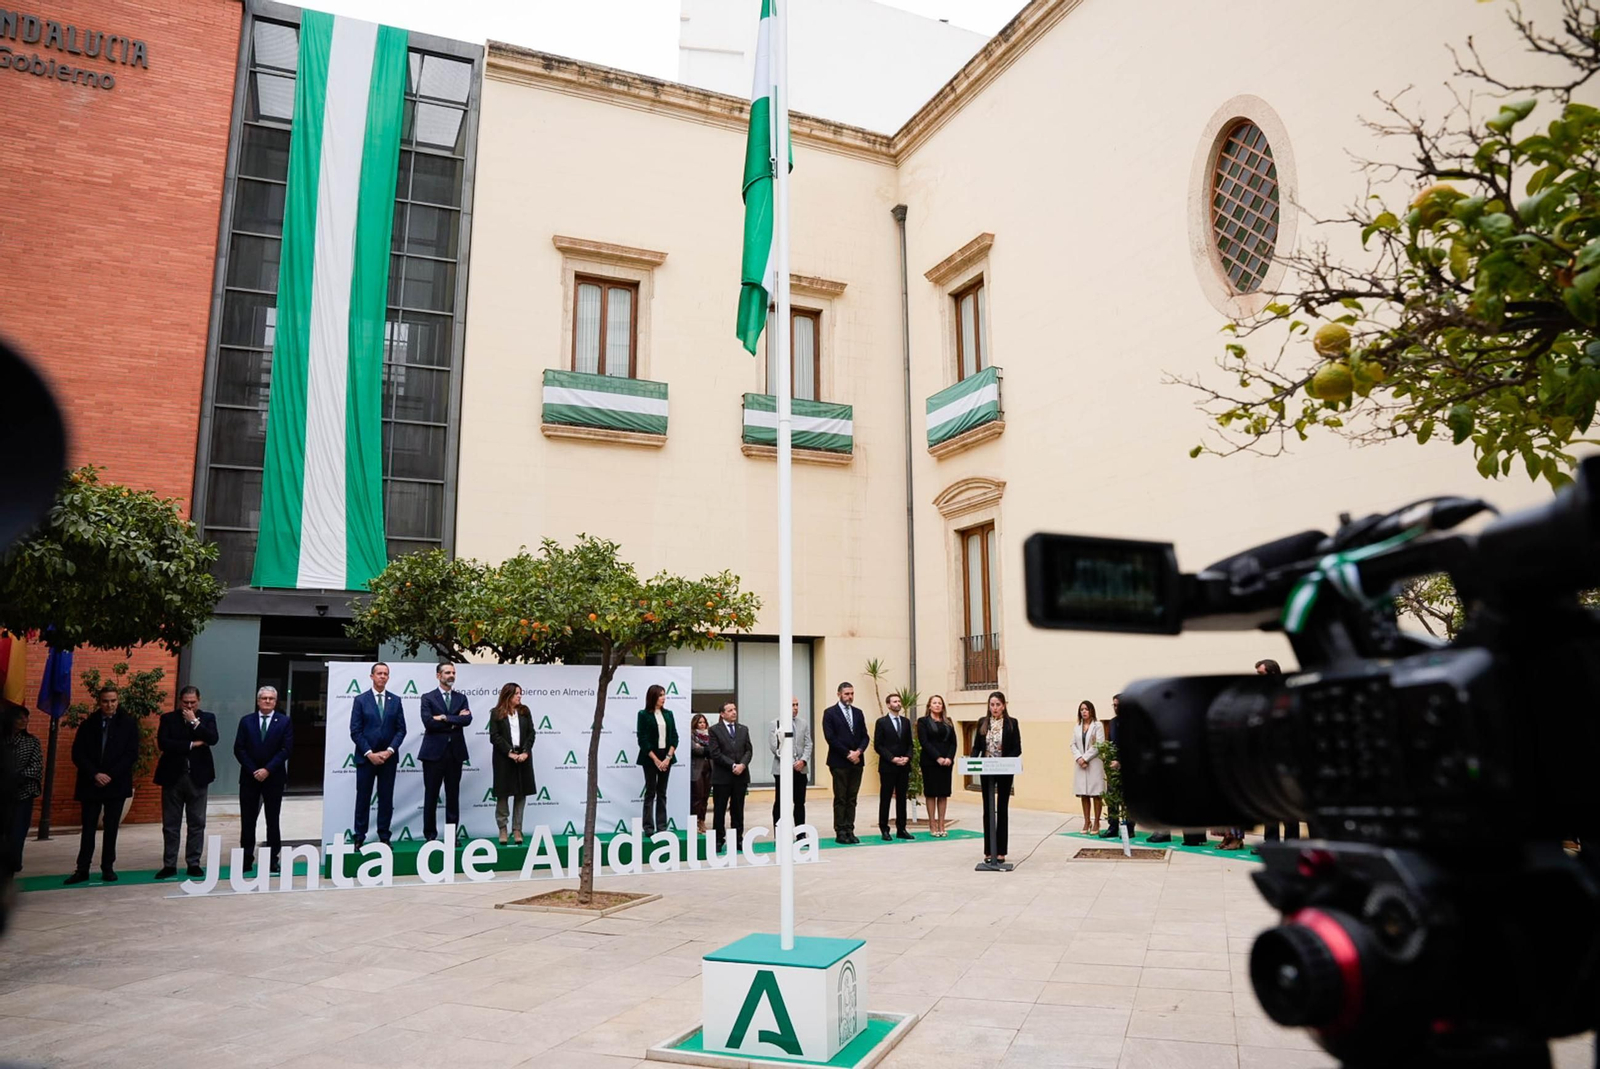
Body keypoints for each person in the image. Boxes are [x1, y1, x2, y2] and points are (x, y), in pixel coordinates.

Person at [65, 685, 139, 884]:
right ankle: (82, 869)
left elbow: (131, 754)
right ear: (99, 702)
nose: (109, 705)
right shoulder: (88, 724)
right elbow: (78, 753)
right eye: (105, 701)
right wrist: (95, 774)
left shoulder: (128, 724)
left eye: (113, 701)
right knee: (88, 828)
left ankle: (108, 867)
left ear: (118, 701)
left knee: (111, 827)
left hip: (116, 783)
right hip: (91, 783)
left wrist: (110, 775)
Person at [153, 685, 219, 879]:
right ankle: (169, 864)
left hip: (198, 777)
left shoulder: (207, 718)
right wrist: (191, 744)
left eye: (193, 703)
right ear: (179, 701)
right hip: (173, 776)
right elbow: (164, 743)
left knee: (197, 822)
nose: (189, 706)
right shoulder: (168, 719)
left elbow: (212, 738)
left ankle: (193, 862)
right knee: (170, 824)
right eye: (186, 703)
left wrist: (195, 722)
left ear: (199, 701)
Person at [235, 685, 293, 874]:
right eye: (264, 698)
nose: (267, 701)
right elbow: (239, 748)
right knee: (248, 820)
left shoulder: (284, 721)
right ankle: (246, 859)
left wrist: (267, 769)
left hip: (274, 777)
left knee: (272, 820)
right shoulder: (246, 721)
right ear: (258, 700)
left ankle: (272, 860)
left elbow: (286, 749)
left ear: (276, 701)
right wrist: (254, 770)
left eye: (271, 698)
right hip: (250, 778)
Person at [349, 662, 406, 848]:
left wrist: (389, 751)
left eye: (385, 674)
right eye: (379, 673)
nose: (382, 676)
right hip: (366, 759)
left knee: (386, 798)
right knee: (363, 798)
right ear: (372, 676)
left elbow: (401, 730)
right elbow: (355, 731)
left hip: (388, 759)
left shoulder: (395, 700)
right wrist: (369, 753)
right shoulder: (360, 700)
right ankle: (359, 836)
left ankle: (384, 836)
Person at [419, 662, 472, 842]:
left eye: (453, 672)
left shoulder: (461, 698)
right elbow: (429, 723)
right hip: (433, 754)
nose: (451, 675)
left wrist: (443, 717)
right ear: (438, 675)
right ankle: (430, 836)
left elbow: (467, 720)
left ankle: (451, 836)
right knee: (431, 795)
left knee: (453, 795)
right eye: (447, 672)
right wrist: (454, 720)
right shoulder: (428, 698)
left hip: (455, 753)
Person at [971, 691, 1021, 867]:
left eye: (998, 705)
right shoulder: (982, 722)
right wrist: (971, 761)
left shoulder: (1012, 723)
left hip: (1004, 769)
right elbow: (977, 747)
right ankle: (989, 850)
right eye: (992, 705)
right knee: (988, 808)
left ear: (1004, 706)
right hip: (986, 769)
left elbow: (1017, 748)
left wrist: (1005, 762)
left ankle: (1001, 851)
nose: (995, 708)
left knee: (1002, 808)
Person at [1254, 658, 1299, 851]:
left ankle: (1292, 843)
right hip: (1266, 758)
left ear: (1272, 673)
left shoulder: (1286, 694)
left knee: (1288, 803)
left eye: (1261, 674)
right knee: (1269, 802)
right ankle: (1271, 842)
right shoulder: (1260, 697)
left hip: (1286, 757)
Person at [821, 682, 869, 844]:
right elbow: (830, 737)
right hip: (839, 762)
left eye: (852, 694)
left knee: (852, 797)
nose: (850, 697)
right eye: (846, 694)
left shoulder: (858, 713)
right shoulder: (830, 713)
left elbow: (865, 736)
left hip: (857, 762)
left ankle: (850, 829)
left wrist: (859, 751)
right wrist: (848, 753)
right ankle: (840, 831)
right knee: (841, 797)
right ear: (839, 694)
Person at [488, 684, 536, 845]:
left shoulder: (525, 711)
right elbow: (494, 736)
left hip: (523, 757)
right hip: (504, 758)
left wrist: (525, 752)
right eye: (516, 693)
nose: (519, 696)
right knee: (503, 793)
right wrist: (509, 752)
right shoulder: (496, 713)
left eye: (520, 693)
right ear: (508, 695)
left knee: (521, 793)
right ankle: (503, 828)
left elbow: (531, 733)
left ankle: (517, 829)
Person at [2, 702, 42, 876]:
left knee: (17, 833)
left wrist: (17, 778)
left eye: (26, 717)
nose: (24, 720)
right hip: (3, 794)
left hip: (23, 794)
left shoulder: (31, 742)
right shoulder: (3, 741)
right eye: (19, 717)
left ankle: (13, 864)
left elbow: (36, 766)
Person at [707, 701, 752, 849]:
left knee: (738, 809)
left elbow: (748, 750)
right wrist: (732, 765)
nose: (734, 712)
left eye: (734, 709)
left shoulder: (743, 729)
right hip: (722, 776)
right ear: (722, 714)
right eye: (730, 710)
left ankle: (738, 838)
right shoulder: (714, 730)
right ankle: (719, 839)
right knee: (720, 809)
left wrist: (742, 765)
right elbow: (715, 753)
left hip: (741, 776)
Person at [635, 684, 678, 837]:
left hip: (667, 756)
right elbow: (642, 739)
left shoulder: (669, 714)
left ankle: (662, 826)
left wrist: (668, 758)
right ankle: (648, 827)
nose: (663, 698)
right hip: (650, 757)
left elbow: (674, 737)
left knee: (662, 792)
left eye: (664, 694)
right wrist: (655, 759)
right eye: (660, 695)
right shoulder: (643, 714)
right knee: (650, 791)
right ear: (653, 697)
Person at [873, 693, 915, 841]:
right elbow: (878, 745)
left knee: (902, 798)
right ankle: (884, 829)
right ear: (888, 705)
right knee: (885, 798)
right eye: (894, 701)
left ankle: (901, 828)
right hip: (888, 767)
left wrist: (907, 757)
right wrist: (892, 758)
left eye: (899, 701)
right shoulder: (882, 722)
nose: (898, 703)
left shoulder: (905, 722)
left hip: (903, 766)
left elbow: (910, 743)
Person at [769, 696, 812, 836]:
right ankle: (779, 835)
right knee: (780, 803)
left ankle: (801, 834)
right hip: (782, 770)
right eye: (792, 705)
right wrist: (791, 762)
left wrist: (803, 761)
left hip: (800, 769)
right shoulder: (775, 724)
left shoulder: (803, 723)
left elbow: (808, 744)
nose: (795, 708)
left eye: (797, 705)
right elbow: (775, 747)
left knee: (799, 803)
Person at [917, 695, 957, 837]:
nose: (937, 705)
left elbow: (953, 742)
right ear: (929, 706)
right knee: (931, 793)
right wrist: (937, 757)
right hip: (930, 762)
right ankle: (932, 824)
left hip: (946, 763)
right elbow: (924, 742)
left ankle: (941, 824)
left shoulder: (948, 722)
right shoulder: (923, 722)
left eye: (940, 703)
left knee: (943, 793)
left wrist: (949, 758)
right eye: (934, 703)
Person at [1099, 693, 1136, 840]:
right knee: (1112, 798)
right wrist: (1108, 760)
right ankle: (1113, 827)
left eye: (1118, 705)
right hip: (1113, 768)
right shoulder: (1113, 723)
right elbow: (1110, 743)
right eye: (1113, 705)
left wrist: (1121, 762)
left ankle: (1129, 828)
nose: (1115, 708)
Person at [1072, 700, 1106, 834]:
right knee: (1084, 794)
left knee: (1096, 794)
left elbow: (1099, 744)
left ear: (1091, 711)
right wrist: (1079, 758)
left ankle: (1097, 822)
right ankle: (1087, 821)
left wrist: (1085, 758)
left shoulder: (1098, 725)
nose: (1084, 712)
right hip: (1081, 764)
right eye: (1082, 710)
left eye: (1086, 709)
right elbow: (1072, 744)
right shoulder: (1077, 727)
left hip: (1094, 763)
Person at [689, 713, 712, 835]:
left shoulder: (710, 735)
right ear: (695, 724)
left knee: (705, 797)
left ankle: (702, 820)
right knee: (697, 796)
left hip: (710, 769)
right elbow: (695, 750)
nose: (702, 725)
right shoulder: (692, 735)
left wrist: (703, 748)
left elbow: (715, 749)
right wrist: (707, 750)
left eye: (704, 722)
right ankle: (694, 822)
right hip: (697, 769)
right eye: (700, 722)